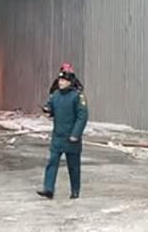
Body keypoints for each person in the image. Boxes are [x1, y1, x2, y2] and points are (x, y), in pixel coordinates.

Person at [37, 71, 88, 200]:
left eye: (63, 81)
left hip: (71, 138)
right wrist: (48, 111)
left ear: (70, 82)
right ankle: (48, 189)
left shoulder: (77, 97)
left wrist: (76, 134)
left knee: (73, 166)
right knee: (52, 162)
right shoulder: (55, 95)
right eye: (60, 80)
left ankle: (75, 191)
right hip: (58, 136)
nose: (60, 83)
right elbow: (51, 108)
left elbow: (82, 117)